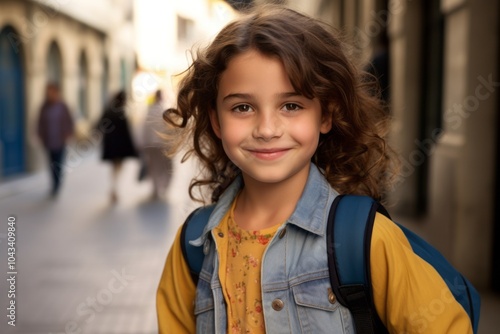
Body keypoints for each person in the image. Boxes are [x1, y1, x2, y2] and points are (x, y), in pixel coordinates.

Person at [156, 5, 473, 334]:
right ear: (215, 120)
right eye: (243, 107)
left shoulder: (365, 239)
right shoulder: (193, 246)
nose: (267, 129)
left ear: (326, 115)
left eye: (291, 105)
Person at [97, 90, 138, 203]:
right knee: (118, 167)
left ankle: (114, 188)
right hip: (120, 146)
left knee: (114, 168)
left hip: (111, 145)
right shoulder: (122, 112)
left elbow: (100, 125)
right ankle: (114, 188)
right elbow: (126, 132)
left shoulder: (109, 110)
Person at [37, 82, 74, 197]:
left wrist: (68, 134)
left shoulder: (63, 106)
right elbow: (39, 122)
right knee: (51, 164)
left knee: (58, 164)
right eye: (48, 91)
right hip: (48, 141)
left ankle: (57, 186)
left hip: (60, 141)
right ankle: (54, 184)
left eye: (52, 91)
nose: (49, 94)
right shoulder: (44, 106)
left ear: (57, 92)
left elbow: (70, 121)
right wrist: (39, 134)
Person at [141, 89, 173, 200]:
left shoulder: (150, 111)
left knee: (154, 167)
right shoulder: (164, 111)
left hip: (151, 145)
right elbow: (170, 129)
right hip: (163, 145)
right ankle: (164, 186)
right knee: (166, 167)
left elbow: (145, 129)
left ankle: (156, 188)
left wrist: (143, 144)